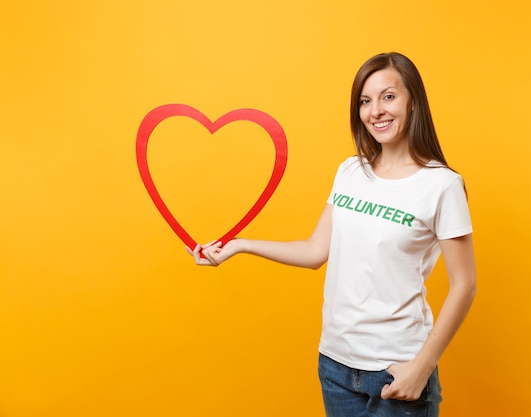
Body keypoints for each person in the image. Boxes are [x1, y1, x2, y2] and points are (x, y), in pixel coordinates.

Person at [187, 52, 476, 417]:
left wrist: (422, 367)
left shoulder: (441, 185)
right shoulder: (350, 171)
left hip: (396, 370)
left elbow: (464, 284)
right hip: (335, 366)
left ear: (413, 101)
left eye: (388, 96)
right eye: (365, 101)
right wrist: (239, 246)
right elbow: (314, 251)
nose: (376, 111)